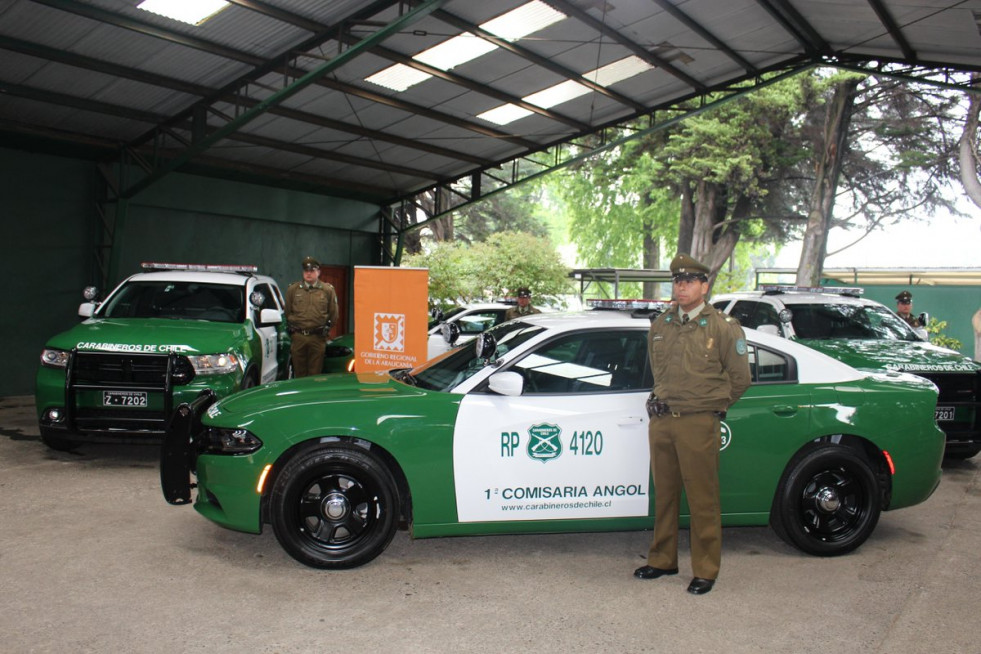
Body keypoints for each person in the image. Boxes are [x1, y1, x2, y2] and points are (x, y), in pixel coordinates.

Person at [634, 253, 751, 595]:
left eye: (688, 282)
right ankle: (662, 560)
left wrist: (711, 406)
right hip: (662, 421)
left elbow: (740, 379)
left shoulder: (723, 327)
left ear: (705, 285)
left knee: (702, 499)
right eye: (677, 281)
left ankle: (706, 569)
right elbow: (658, 373)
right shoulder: (662, 324)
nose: (681, 287)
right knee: (665, 495)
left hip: (698, 423)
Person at [285, 256, 338, 377]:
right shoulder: (293, 289)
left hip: (317, 338)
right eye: (306, 271)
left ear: (318, 272)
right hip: (298, 337)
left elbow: (333, 314)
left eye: (312, 271)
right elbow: (288, 312)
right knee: (299, 373)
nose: (308, 274)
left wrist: (325, 329)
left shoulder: (327, 290)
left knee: (315, 373)